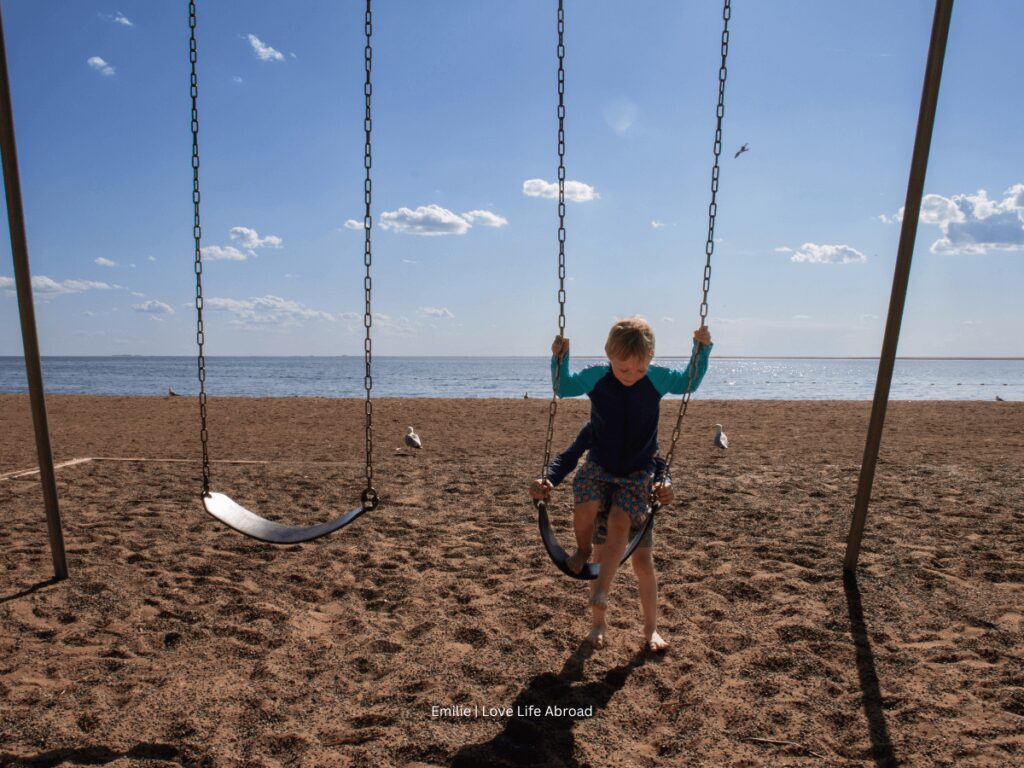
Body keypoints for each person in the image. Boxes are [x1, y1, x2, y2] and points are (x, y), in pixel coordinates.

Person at [547, 316, 712, 649]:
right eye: (623, 370)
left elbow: (689, 381)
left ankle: (647, 626)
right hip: (600, 468)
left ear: (650, 361)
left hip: (638, 474)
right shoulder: (597, 377)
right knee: (587, 514)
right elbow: (563, 388)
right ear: (609, 355)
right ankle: (597, 621)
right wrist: (560, 358)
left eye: (639, 370)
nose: (631, 377)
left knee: (636, 551)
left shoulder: (656, 379)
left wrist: (701, 348)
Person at [530, 421, 674, 651]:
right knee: (599, 559)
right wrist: (547, 477)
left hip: (638, 500)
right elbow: (569, 457)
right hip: (605, 501)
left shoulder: (642, 428)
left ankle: (651, 629)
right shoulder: (597, 426)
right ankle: (598, 625)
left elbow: (659, 465)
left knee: (643, 562)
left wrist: (664, 483)